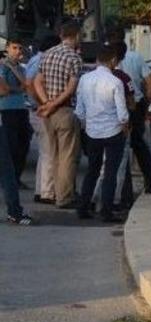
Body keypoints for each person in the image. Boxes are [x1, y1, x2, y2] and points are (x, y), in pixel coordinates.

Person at [75, 44, 129, 222]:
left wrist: (87, 122)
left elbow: (79, 109)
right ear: (113, 60)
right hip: (113, 132)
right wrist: (125, 125)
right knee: (110, 173)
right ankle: (106, 210)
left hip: (92, 132)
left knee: (92, 170)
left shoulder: (84, 79)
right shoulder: (115, 82)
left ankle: (83, 207)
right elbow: (122, 113)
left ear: (98, 60)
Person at [34, 21, 82, 209]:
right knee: (68, 156)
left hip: (47, 113)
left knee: (53, 154)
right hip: (64, 110)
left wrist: (46, 103)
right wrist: (54, 104)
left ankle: (53, 193)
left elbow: (38, 82)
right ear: (76, 35)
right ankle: (65, 197)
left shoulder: (47, 54)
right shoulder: (74, 58)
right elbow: (71, 89)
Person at [108, 29, 151, 194]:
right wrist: (146, 105)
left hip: (115, 108)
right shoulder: (136, 57)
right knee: (139, 146)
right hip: (136, 106)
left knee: (120, 152)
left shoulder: (105, 59)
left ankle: (125, 192)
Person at [25, 34, 61, 204]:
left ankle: (41, 190)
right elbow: (30, 83)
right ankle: (47, 192)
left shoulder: (35, 59)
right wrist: (42, 102)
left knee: (44, 151)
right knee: (49, 152)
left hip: (35, 110)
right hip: (40, 111)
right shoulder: (41, 60)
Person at [0, 38, 33, 189]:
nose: (17, 51)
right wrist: (19, 88)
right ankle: (8, 179)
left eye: (20, 48)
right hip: (7, 109)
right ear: (7, 48)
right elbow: (4, 89)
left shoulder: (20, 68)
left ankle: (16, 178)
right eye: (14, 47)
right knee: (11, 146)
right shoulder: (3, 66)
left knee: (23, 144)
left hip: (21, 108)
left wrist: (18, 88)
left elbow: (27, 85)